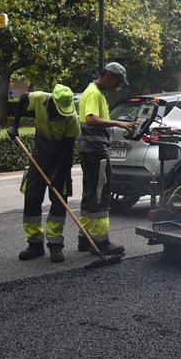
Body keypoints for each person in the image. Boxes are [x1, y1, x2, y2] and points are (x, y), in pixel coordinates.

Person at [9, 84, 80, 262]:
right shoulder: (40, 98)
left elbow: (67, 152)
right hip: (38, 159)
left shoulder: (71, 118)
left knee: (58, 204)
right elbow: (23, 98)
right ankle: (35, 244)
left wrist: (56, 175)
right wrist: (14, 126)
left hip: (60, 163)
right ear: (53, 102)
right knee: (32, 199)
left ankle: (55, 245)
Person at [77, 62, 136, 256]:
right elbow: (91, 119)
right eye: (117, 81)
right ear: (108, 75)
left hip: (89, 152)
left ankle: (85, 238)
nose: (118, 86)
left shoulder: (94, 92)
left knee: (89, 195)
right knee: (101, 196)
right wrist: (119, 122)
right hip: (96, 153)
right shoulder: (94, 93)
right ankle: (101, 242)